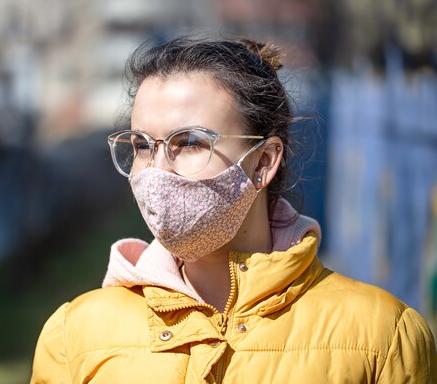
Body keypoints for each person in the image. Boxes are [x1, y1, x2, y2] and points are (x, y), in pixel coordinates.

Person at [29, 36, 437, 383]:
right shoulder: (75, 336)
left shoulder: (382, 336)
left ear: (263, 162)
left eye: (188, 142)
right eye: (140, 145)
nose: (156, 171)